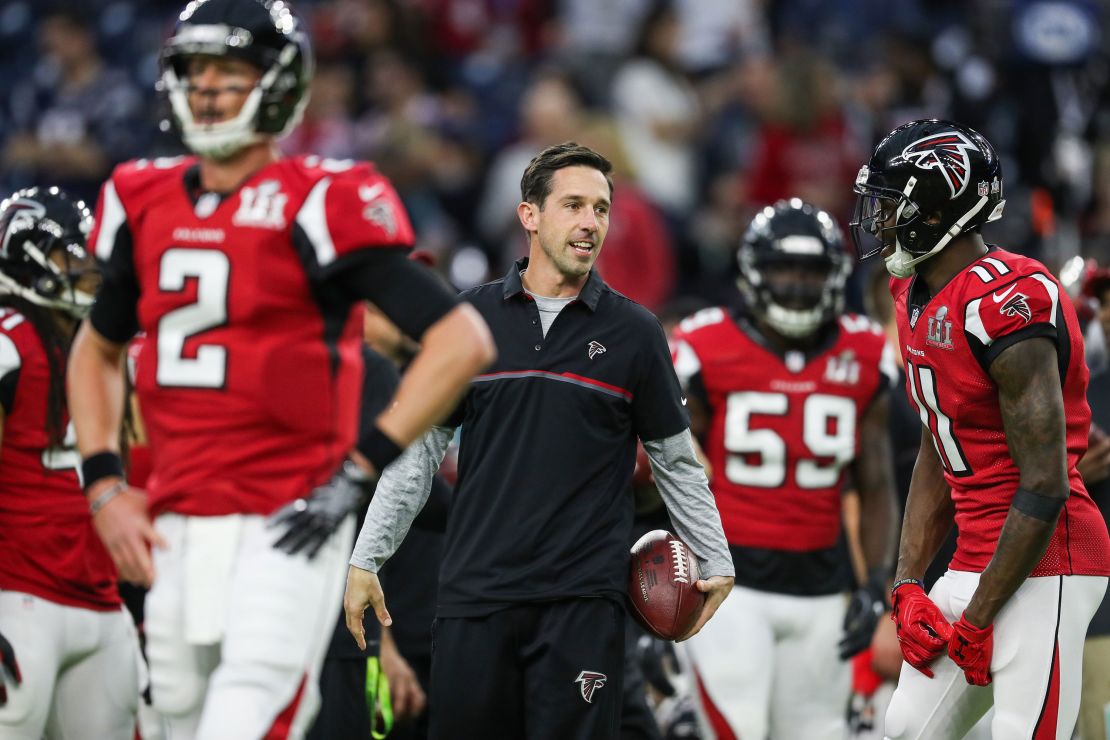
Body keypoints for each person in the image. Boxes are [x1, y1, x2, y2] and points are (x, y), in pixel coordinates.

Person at [66, 0, 496, 737]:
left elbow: (462, 341)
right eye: (194, 71)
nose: (206, 89)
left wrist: (359, 469)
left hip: (285, 518)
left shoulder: (323, 197)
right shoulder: (140, 194)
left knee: (248, 717)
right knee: (175, 720)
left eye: (229, 71)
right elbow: (97, 347)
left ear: (279, 83)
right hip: (176, 517)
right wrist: (105, 484)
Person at [343, 141, 734, 740]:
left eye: (601, 209)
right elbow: (416, 456)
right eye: (574, 205)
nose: (590, 222)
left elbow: (676, 462)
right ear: (530, 215)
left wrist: (717, 558)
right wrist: (367, 556)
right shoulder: (465, 322)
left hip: (582, 604)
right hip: (474, 599)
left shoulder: (635, 331)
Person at [851, 118, 1110, 739]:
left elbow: (1046, 483)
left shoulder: (1006, 303)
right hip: (977, 549)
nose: (879, 220)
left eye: (892, 206)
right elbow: (937, 445)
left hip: (1050, 557)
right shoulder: (911, 290)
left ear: (939, 210)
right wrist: (908, 583)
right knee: (906, 729)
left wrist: (981, 614)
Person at [670, 198, 898, 739]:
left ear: (834, 276)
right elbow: (673, 472)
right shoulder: (705, 344)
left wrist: (876, 585)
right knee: (736, 729)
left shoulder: (864, 350)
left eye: (810, 271)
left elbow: (877, 483)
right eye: (783, 269)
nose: (796, 284)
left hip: (824, 588)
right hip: (729, 586)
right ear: (754, 272)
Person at [0, 187, 142, 738]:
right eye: (71, 256)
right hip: (18, 598)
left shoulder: (102, 349)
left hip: (101, 600)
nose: (87, 271)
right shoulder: (9, 344)